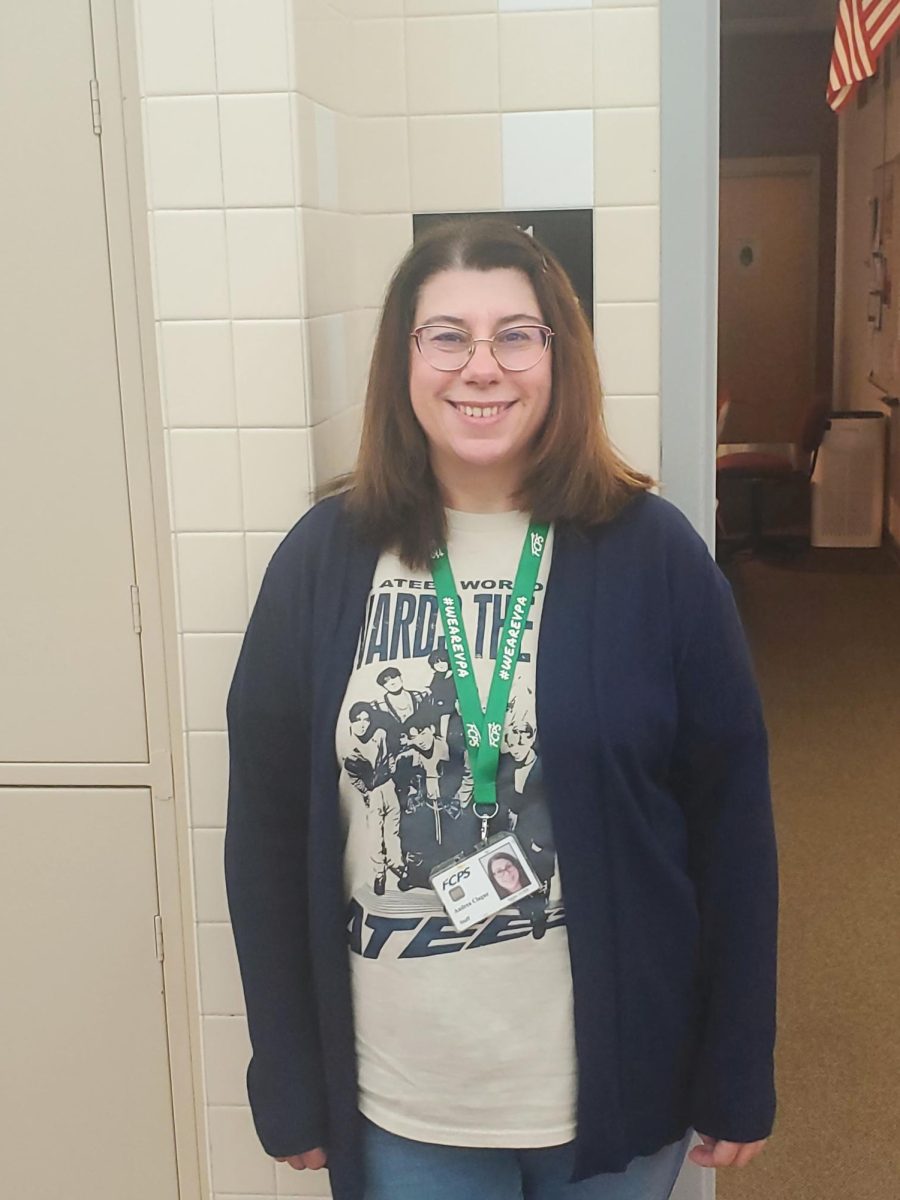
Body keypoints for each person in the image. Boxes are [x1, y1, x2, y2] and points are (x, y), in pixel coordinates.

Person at [225, 218, 778, 1200]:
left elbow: (731, 825)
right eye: (447, 335)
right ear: (405, 360)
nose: (482, 366)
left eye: (515, 334)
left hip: (617, 1086)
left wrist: (738, 1062)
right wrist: (288, 1073)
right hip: (402, 1102)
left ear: (559, 357)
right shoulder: (320, 562)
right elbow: (264, 837)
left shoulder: (655, 557)